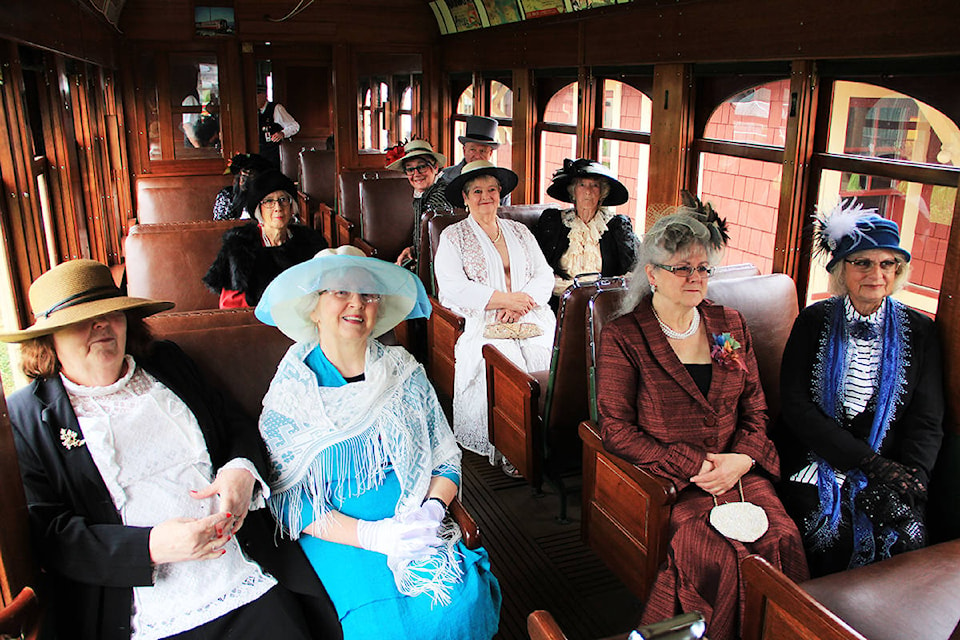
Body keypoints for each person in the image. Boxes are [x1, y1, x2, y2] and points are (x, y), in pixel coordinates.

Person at [0, 259, 342, 640]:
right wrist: (148, 546)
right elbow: (52, 533)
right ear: (48, 339)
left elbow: (235, 424)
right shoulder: (27, 416)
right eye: (83, 319)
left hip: (241, 568)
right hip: (139, 608)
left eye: (111, 313)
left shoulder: (168, 363)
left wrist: (241, 470)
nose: (102, 325)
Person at [253, 246, 501, 640]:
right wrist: (372, 536)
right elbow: (290, 501)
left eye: (368, 294)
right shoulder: (291, 392)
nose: (357, 304)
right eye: (340, 292)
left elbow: (445, 458)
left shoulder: (405, 372)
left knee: (459, 606)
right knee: (381, 628)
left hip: (413, 525)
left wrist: (432, 511)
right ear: (313, 308)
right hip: (340, 538)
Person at [596, 197, 808, 640]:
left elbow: (755, 407)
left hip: (739, 472)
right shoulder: (625, 337)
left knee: (781, 538)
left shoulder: (726, 325)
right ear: (652, 274)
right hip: (672, 482)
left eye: (703, 268)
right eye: (682, 268)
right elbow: (616, 430)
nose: (696, 278)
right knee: (725, 556)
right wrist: (695, 465)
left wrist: (744, 460)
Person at [777, 199, 944, 577]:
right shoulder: (812, 320)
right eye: (863, 262)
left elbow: (927, 418)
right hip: (815, 457)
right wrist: (866, 461)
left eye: (888, 264)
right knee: (829, 534)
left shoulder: (921, 331)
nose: (876, 274)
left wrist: (913, 476)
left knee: (907, 537)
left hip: (891, 464)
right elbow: (797, 406)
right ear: (840, 269)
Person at [434, 161, 556, 476]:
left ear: (500, 193)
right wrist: (503, 300)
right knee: (507, 364)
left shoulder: (520, 231)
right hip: (482, 320)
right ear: (465, 198)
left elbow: (544, 274)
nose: (485, 197)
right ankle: (509, 446)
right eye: (477, 191)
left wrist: (521, 304)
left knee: (548, 352)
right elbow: (452, 286)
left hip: (529, 313)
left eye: (491, 190)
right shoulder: (453, 236)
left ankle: (550, 437)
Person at [204, 169, 327, 308]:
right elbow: (232, 308)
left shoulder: (311, 242)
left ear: (292, 207)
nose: (278, 207)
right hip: (257, 324)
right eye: (269, 201)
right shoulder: (240, 246)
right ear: (258, 209)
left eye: (283, 200)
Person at [533, 158, 638, 297]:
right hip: (560, 300)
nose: (588, 191)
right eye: (582, 185)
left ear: (602, 193)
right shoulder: (555, 221)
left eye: (594, 185)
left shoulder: (616, 226)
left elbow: (631, 271)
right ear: (573, 192)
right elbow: (538, 264)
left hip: (601, 302)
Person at [385, 139, 452, 269]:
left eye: (422, 167)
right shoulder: (425, 194)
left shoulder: (440, 197)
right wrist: (413, 249)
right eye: (410, 169)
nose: (416, 174)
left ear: (435, 167)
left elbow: (436, 247)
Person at [442, 116, 510, 206]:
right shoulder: (445, 176)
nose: (477, 156)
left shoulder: (502, 182)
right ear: (464, 150)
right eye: (472, 150)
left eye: (482, 151)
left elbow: (504, 213)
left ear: (490, 153)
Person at [213, 152, 271, 220]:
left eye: (251, 174)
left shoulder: (268, 196)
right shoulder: (227, 195)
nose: (245, 179)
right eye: (243, 173)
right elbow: (220, 224)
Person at [257, 85, 301, 169]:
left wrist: (282, 133)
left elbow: (295, 126)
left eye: (256, 96)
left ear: (263, 95)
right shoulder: (253, 112)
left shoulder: (276, 109)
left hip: (274, 155)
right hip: (259, 154)